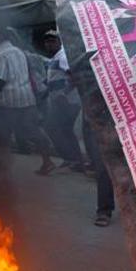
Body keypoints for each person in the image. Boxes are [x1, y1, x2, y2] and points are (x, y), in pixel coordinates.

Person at [0, 27, 56, 175]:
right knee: (34, 130)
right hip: (26, 97)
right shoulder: (19, 52)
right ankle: (47, 161)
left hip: (9, 100)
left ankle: (1, 167)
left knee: (1, 132)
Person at [42, 30, 85, 171]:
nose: (49, 44)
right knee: (62, 129)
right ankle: (73, 160)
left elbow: (74, 76)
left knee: (56, 128)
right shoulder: (55, 58)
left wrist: (64, 94)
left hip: (68, 101)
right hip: (60, 100)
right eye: (47, 42)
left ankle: (73, 160)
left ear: (59, 42)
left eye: (52, 41)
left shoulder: (62, 57)